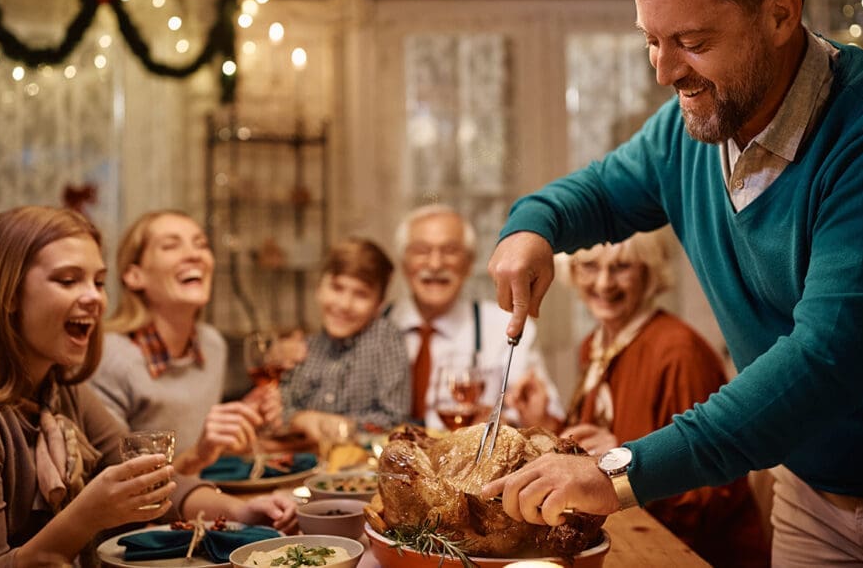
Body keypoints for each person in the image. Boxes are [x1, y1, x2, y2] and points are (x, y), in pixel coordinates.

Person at [481, 0, 863, 564]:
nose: (667, 71)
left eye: (693, 42)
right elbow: (595, 193)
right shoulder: (690, 127)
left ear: (781, 13)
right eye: (652, 41)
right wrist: (532, 227)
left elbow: (820, 364)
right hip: (815, 500)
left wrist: (616, 471)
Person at [0, 206, 297, 567]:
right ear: (8, 295)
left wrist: (241, 509)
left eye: (99, 282)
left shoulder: (63, 392)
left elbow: (154, 480)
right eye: (68, 280)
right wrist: (88, 514)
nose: (94, 298)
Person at [510, 231, 768, 567]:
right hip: (631, 534)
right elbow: (594, 455)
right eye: (590, 266)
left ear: (649, 272)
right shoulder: (596, 344)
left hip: (694, 554)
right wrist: (546, 423)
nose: (604, 283)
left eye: (621, 267)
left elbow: (713, 487)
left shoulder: (678, 351)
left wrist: (625, 466)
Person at [89, 210, 296, 475]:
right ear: (134, 275)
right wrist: (198, 455)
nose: (194, 255)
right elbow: (122, 488)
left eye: (201, 244)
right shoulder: (109, 357)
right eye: (171, 246)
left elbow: (197, 452)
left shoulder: (212, 345)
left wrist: (244, 418)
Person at [386, 204, 563, 429]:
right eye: (421, 251)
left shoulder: (507, 327)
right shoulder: (374, 325)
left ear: (469, 264)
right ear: (403, 263)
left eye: (450, 251)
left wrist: (508, 422)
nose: (435, 264)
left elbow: (547, 420)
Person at [280, 237, 410, 442]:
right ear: (319, 289)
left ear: (379, 305)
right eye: (337, 288)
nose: (344, 304)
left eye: (361, 294)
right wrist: (299, 419)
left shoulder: (385, 340)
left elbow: (394, 417)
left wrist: (338, 425)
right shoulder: (305, 347)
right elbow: (280, 407)